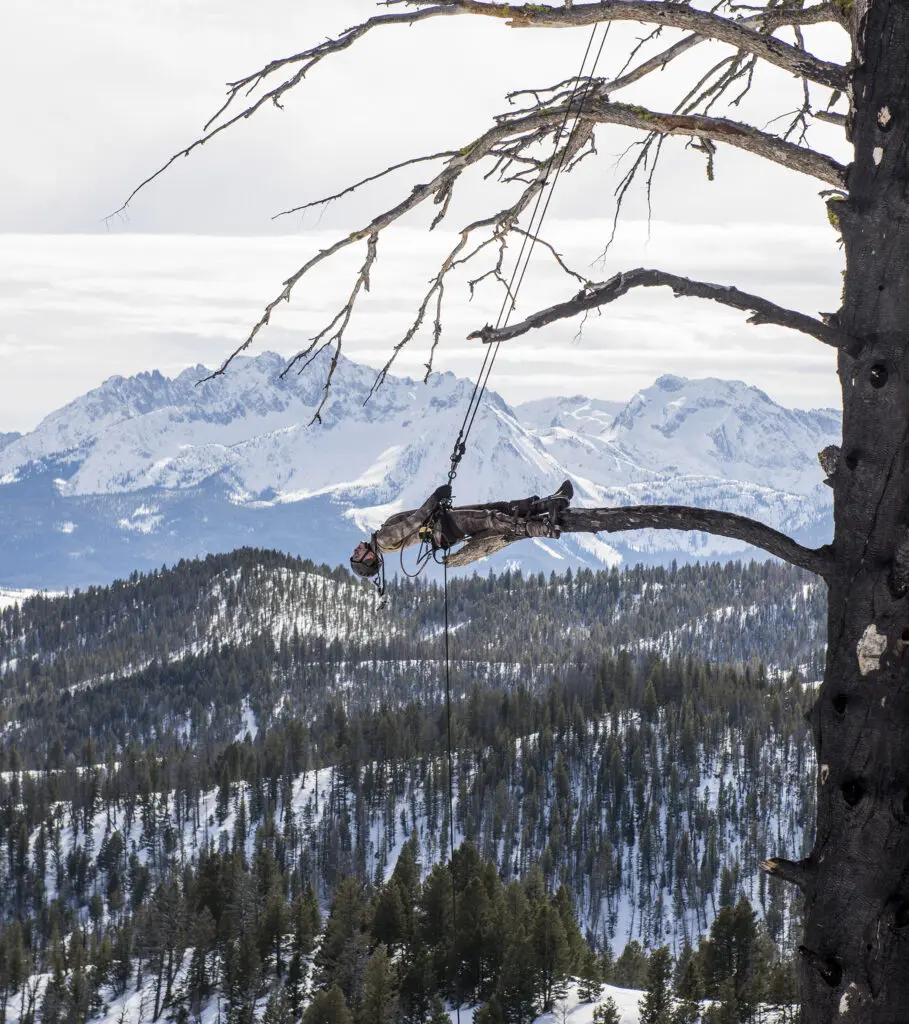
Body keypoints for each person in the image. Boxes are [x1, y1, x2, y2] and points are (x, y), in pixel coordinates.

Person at [349, 479, 574, 578]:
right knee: (491, 517)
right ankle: (543, 528)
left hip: (442, 524)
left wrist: (436, 503)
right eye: (357, 555)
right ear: (369, 558)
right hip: (444, 526)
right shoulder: (384, 539)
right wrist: (435, 497)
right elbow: (415, 522)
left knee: (496, 508)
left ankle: (549, 503)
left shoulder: (382, 542)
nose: (356, 550)